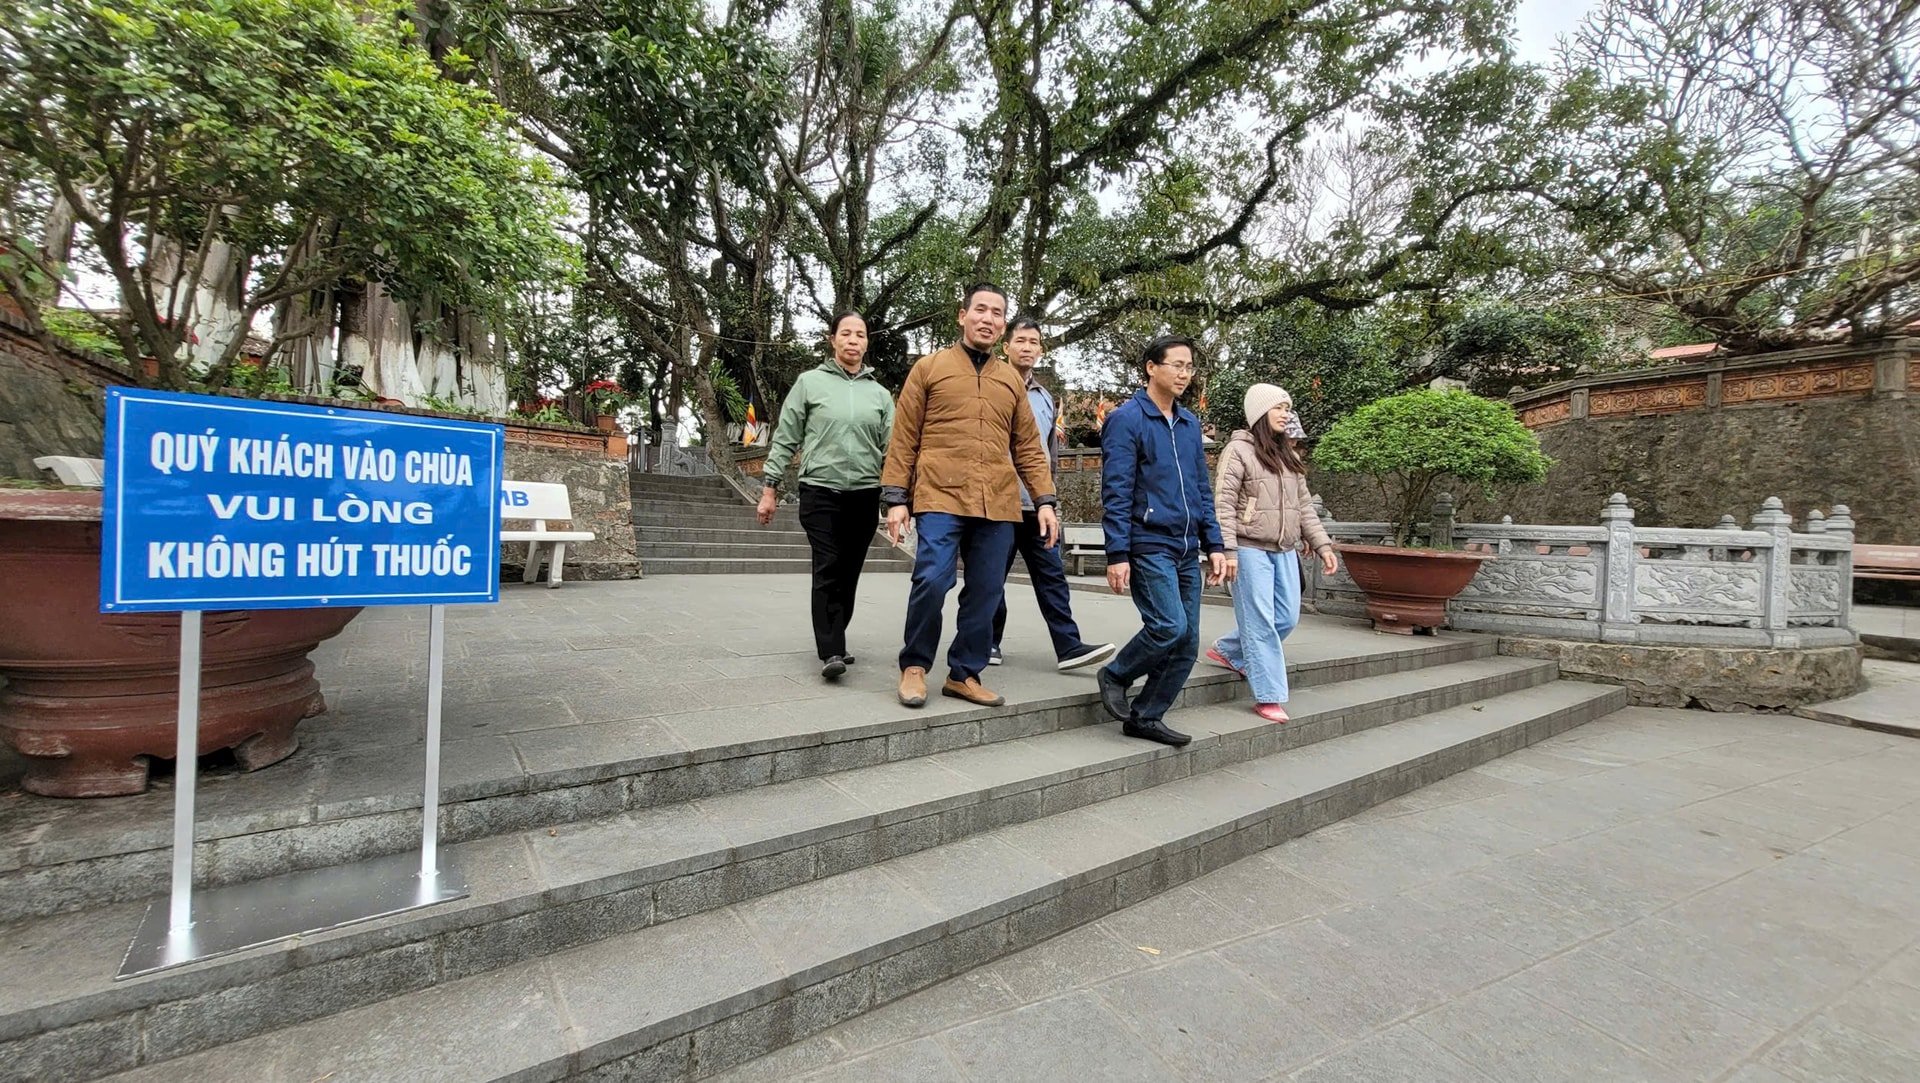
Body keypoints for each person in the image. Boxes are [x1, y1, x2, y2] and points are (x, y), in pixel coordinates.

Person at [881, 283, 1060, 709]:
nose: (988, 318)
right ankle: (915, 666)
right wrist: (895, 497)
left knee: (986, 590)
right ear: (962, 315)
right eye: (980, 310)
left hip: (998, 501)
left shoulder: (1011, 382)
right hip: (939, 494)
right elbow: (904, 436)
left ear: (1002, 325)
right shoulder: (929, 368)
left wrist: (1045, 501)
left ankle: (965, 672)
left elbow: (1029, 448)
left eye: (997, 313)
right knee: (932, 578)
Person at [1095, 334, 1228, 747]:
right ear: (1152, 368)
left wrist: (1216, 544)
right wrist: (1117, 552)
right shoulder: (1127, 419)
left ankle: (1147, 716)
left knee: (1187, 643)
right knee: (1168, 625)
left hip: (1187, 547)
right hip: (1149, 541)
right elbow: (1116, 490)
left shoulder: (1189, 425)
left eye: (1189, 367)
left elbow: (1201, 490)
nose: (1185, 373)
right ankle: (1116, 674)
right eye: (1177, 365)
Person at [758, 312, 895, 681]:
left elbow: (892, 450)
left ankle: (836, 634)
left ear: (867, 343)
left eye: (860, 335)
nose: (853, 340)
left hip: (864, 494)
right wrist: (770, 489)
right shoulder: (809, 383)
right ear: (832, 339)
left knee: (849, 572)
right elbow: (786, 436)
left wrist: (899, 498)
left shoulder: (880, 395)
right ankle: (831, 648)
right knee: (828, 565)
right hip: (820, 491)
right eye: (846, 333)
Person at [987, 317, 1117, 673]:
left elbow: (1049, 456)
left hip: (1036, 505)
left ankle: (1069, 646)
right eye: (1021, 341)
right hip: (998, 502)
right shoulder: (991, 384)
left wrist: (1050, 500)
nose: (1027, 347)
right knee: (991, 577)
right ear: (1006, 346)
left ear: (1040, 349)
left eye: (1034, 342)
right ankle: (989, 641)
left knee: (1052, 575)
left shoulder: (1045, 398)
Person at [1205, 384, 1339, 722]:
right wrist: (1227, 551)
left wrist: (1322, 544)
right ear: (1259, 413)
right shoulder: (1238, 450)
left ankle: (1228, 649)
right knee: (1261, 621)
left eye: (1287, 408)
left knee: (1286, 617)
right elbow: (1223, 504)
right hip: (1249, 548)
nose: (1285, 413)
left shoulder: (1288, 455)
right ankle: (1268, 695)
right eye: (1278, 408)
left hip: (1284, 549)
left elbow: (1304, 506)